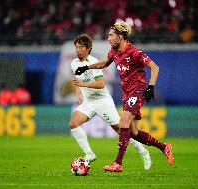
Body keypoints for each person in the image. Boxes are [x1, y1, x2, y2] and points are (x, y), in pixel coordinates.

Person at [75, 21, 174, 172]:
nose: (108, 38)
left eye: (111, 35)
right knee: (133, 133)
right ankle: (164, 147)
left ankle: (118, 163)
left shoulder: (135, 53)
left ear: (120, 37)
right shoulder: (114, 52)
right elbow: (104, 64)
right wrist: (86, 67)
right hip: (127, 93)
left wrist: (151, 86)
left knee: (123, 123)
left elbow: (155, 67)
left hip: (137, 90)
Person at [70, 34, 152, 170]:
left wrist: (83, 85)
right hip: (89, 102)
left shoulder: (93, 62)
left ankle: (142, 150)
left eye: (81, 47)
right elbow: (78, 80)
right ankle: (89, 154)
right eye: (76, 47)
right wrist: (78, 93)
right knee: (73, 123)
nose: (78, 50)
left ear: (88, 48)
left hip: (102, 101)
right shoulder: (74, 63)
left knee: (122, 130)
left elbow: (101, 84)